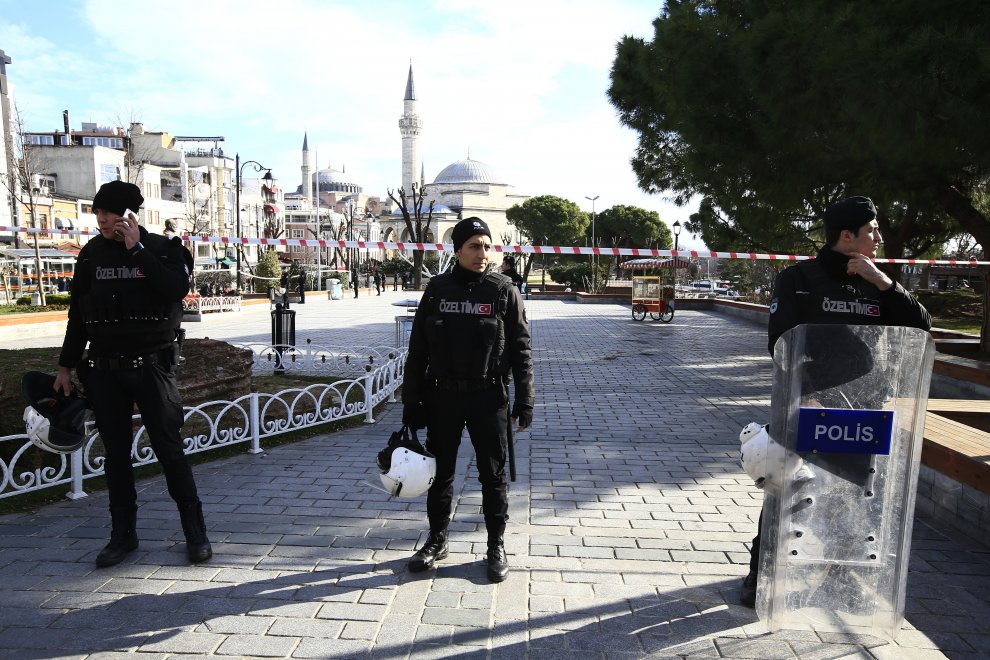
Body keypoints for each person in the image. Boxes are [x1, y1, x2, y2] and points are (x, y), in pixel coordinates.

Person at [740, 195, 931, 607]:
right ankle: (760, 574)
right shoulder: (799, 278)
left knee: (849, 496)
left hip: (861, 409)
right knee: (784, 491)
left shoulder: (880, 282)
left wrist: (885, 284)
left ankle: (843, 575)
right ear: (848, 235)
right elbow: (780, 342)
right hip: (805, 405)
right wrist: (804, 389)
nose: (879, 236)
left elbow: (922, 328)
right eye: (872, 230)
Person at [53, 180, 212, 568]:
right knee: (117, 457)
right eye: (98, 213)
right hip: (105, 371)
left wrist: (136, 250)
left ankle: (196, 533)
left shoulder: (163, 249)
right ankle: (122, 535)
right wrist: (65, 365)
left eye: (108, 213)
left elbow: (175, 288)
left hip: (152, 367)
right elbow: (78, 314)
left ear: (128, 215)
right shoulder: (90, 255)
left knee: (170, 451)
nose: (101, 220)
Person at [402, 217, 535, 583]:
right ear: (457, 250)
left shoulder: (504, 290)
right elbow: (417, 351)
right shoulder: (437, 290)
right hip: (442, 396)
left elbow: (522, 350)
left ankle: (495, 546)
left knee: (492, 477)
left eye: (487, 246)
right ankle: (436, 540)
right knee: (439, 475)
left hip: (488, 397)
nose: (483, 254)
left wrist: (526, 400)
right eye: (474, 246)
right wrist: (411, 401)